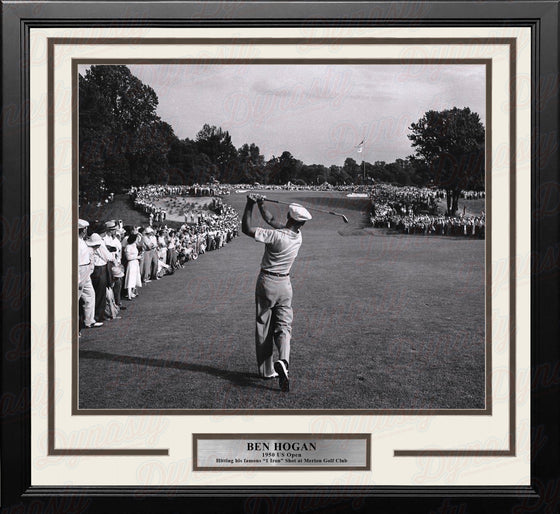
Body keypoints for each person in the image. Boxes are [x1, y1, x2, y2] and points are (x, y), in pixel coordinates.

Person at [241, 194, 312, 392]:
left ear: (289, 217)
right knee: (284, 326)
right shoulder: (297, 237)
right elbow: (271, 220)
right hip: (285, 284)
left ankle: (266, 370)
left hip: (267, 282)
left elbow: (246, 229)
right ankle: (284, 361)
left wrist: (250, 204)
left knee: (264, 325)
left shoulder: (275, 236)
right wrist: (262, 204)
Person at [78, 219, 102, 329]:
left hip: (86, 270)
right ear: (82, 230)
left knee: (90, 295)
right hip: (80, 270)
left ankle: (89, 320)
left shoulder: (82, 241)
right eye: (85, 229)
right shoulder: (76, 243)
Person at [124, 233, 142, 299]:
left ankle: (133, 292)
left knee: (135, 277)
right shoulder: (128, 247)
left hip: (135, 263)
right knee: (130, 278)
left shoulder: (134, 245)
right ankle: (129, 294)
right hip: (131, 263)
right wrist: (137, 257)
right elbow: (128, 257)